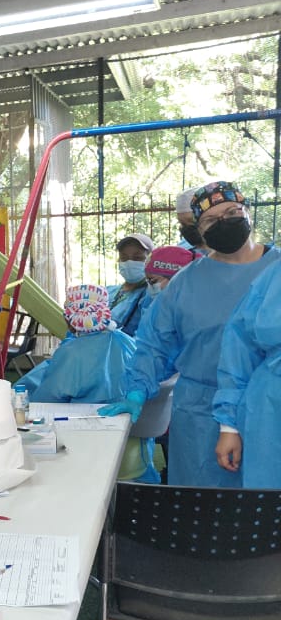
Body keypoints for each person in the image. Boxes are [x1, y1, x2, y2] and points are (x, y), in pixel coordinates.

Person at [101, 180, 280, 487]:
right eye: (211, 219)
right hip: (201, 413)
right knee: (202, 512)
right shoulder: (185, 283)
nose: (224, 222)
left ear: (247, 212)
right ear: (199, 229)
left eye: (232, 211)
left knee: (263, 515)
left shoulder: (275, 270)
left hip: (271, 408)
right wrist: (136, 391)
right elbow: (154, 345)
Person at [212, 258, 281, 620]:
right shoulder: (274, 275)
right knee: (272, 518)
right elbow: (240, 341)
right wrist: (228, 423)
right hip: (271, 407)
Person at [16, 285, 160, 482]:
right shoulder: (126, 341)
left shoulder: (72, 353)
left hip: (90, 445)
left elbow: (47, 399)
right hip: (136, 448)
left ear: (69, 319)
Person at [107, 232, 155, 336]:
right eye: (124, 258)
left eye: (137, 258)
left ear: (151, 260)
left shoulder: (152, 295)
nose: (129, 262)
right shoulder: (107, 292)